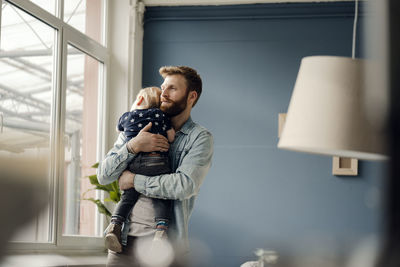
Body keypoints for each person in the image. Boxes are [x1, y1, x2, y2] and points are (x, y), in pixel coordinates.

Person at [97, 65, 214, 267]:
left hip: (164, 250)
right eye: (163, 87)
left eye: (172, 89)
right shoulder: (137, 126)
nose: (163, 94)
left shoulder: (199, 138)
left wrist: (134, 180)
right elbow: (103, 176)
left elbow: (184, 185)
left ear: (191, 96)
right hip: (121, 245)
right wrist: (133, 146)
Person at [104, 86, 175, 253]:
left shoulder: (127, 117)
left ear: (140, 100)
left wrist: (133, 139)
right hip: (158, 162)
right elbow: (171, 137)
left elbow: (119, 129)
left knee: (127, 197)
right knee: (160, 196)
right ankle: (161, 231)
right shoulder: (161, 115)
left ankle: (115, 225)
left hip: (136, 164)